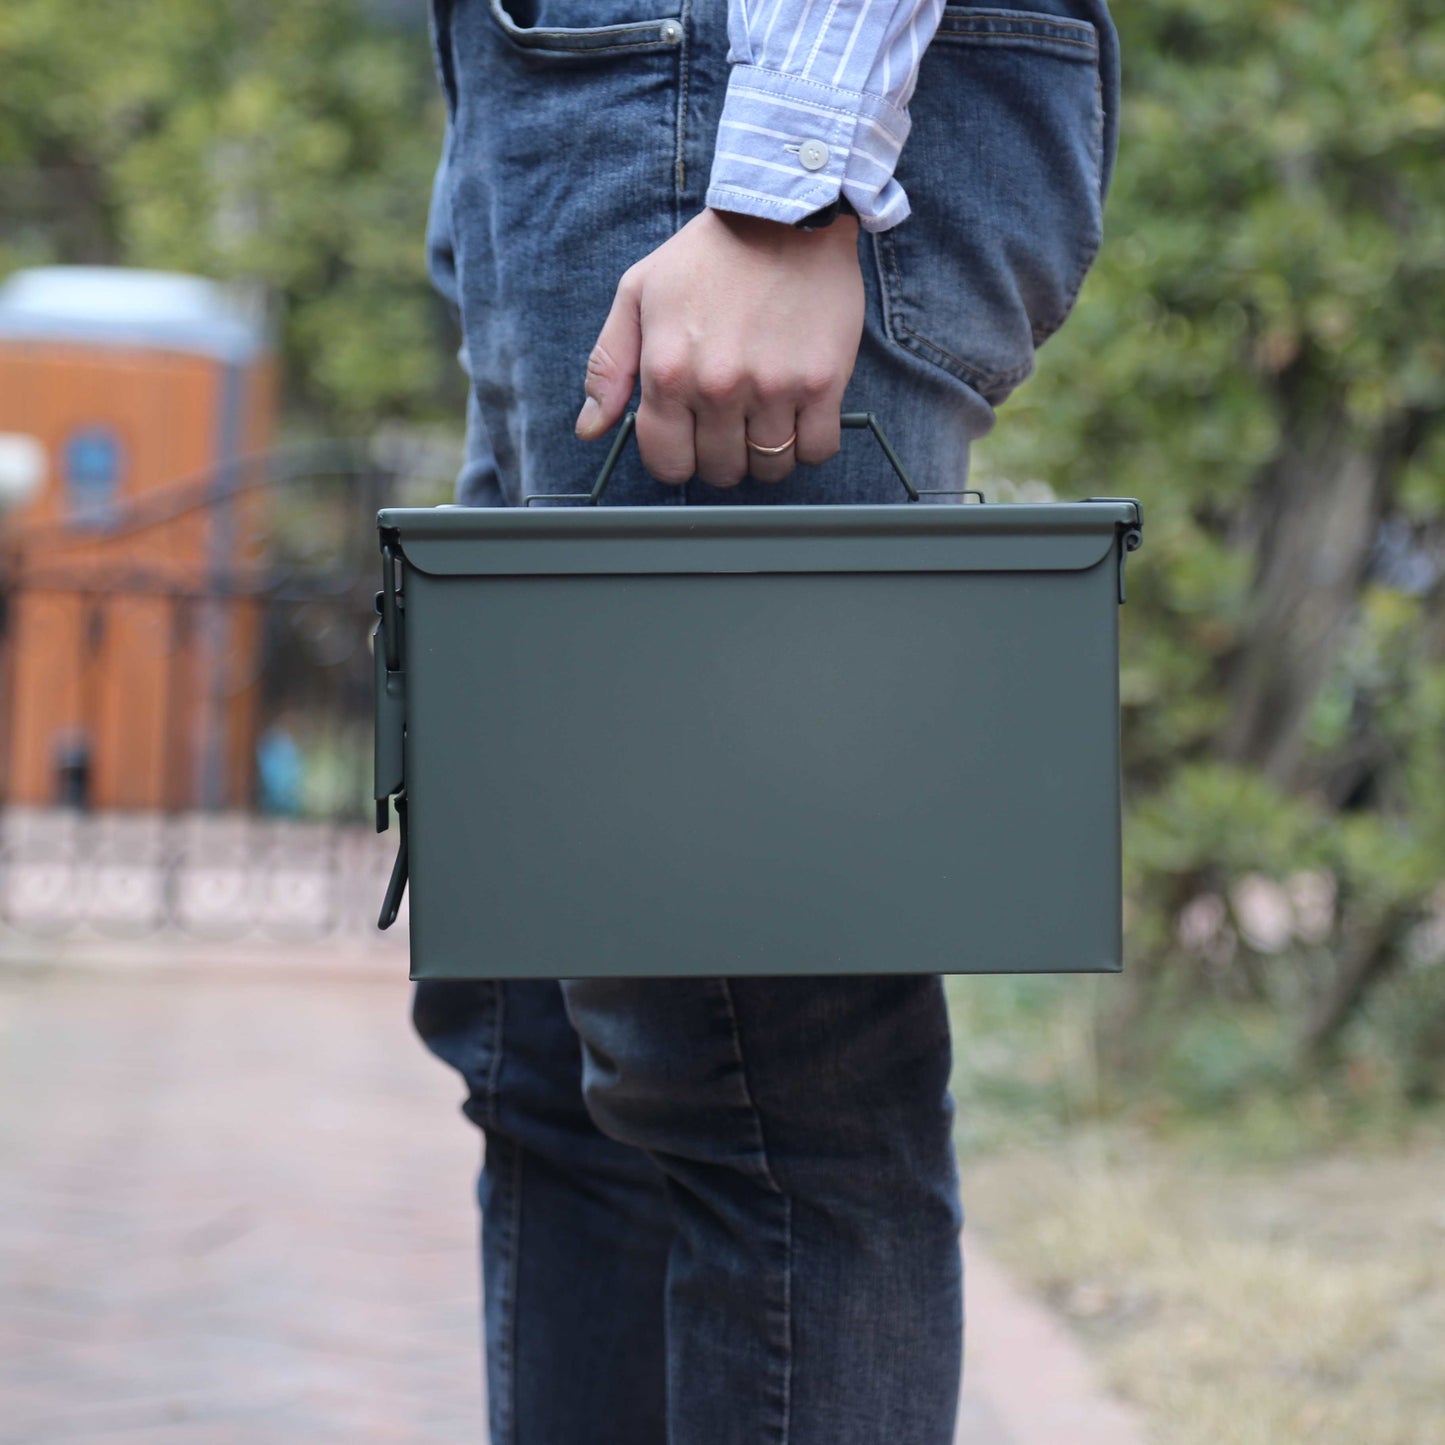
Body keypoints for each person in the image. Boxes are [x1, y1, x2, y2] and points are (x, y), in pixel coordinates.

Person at [413, 2, 1118, 1441]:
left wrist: (791, 172)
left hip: (718, 101)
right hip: (559, 102)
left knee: (757, 1081)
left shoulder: (768, 169)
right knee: (542, 1049)